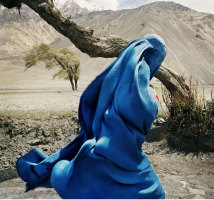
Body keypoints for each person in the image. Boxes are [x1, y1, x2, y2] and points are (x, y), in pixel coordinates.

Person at [16, 34, 167, 199]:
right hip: (132, 162)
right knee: (155, 193)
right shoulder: (151, 97)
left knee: (60, 171)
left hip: (96, 153)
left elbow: (96, 104)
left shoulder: (113, 82)